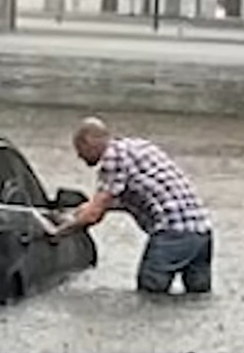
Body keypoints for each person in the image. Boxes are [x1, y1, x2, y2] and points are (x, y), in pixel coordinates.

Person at [53, 116, 214, 295]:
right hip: (201, 230)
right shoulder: (137, 146)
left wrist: (57, 233)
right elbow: (114, 200)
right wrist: (75, 212)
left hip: (173, 231)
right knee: (197, 296)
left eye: (79, 149)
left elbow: (93, 215)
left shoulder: (112, 157)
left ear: (88, 141)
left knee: (150, 292)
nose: (79, 156)